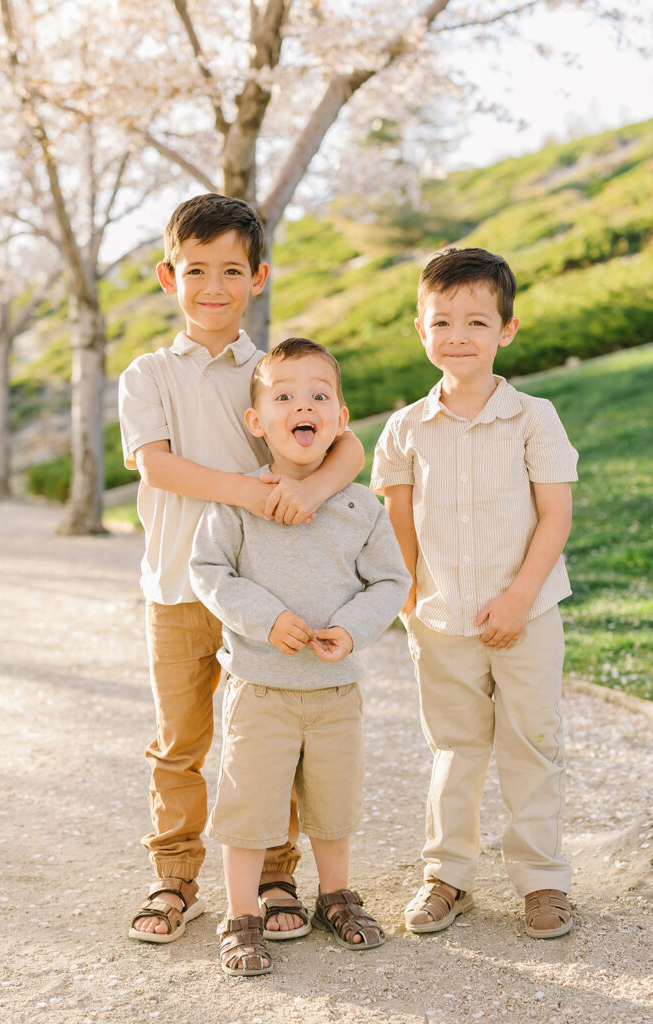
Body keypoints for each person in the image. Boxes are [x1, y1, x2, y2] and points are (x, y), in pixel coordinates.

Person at [118, 194, 364, 944]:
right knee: (181, 741)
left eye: (232, 270)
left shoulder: (276, 370)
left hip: (268, 591)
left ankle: (275, 873)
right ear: (169, 277)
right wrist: (252, 491)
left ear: (258, 277)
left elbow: (348, 443)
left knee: (272, 735)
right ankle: (175, 876)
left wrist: (309, 488)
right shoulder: (149, 373)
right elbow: (157, 467)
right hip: (177, 585)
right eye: (196, 270)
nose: (214, 286)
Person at [372, 247, 578, 939]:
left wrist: (519, 597)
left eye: (475, 321)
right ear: (419, 329)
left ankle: (542, 880)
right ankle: (448, 876)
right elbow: (397, 526)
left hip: (527, 612)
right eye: (441, 321)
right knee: (455, 750)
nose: (457, 335)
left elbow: (554, 516)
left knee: (531, 745)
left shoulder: (532, 418)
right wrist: (405, 604)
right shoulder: (403, 430)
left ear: (506, 330)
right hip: (438, 621)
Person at [189, 337, 411, 976]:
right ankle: (242, 915)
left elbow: (390, 583)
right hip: (260, 688)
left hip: (335, 686)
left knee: (333, 802)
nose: (302, 406)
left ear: (340, 418)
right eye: (283, 396)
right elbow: (209, 572)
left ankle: (336, 895)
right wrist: (268, 619)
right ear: (257, 422)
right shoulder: (241, 502)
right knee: (250, 804)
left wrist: (351, 627)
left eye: (319, 395)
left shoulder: (359, 508)